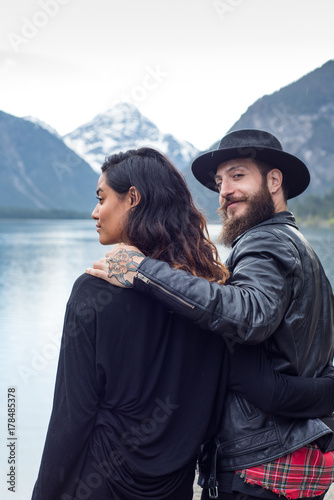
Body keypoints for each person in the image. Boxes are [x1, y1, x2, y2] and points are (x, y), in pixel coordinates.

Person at [87, 131, 334, 500]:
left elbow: (249, 315)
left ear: (274, 181)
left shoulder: (266, 241)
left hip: (259, 463)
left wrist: (144, 271)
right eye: (220, 182)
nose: (224, 191)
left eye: (237, 176)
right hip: (289, 456)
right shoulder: (300, 247)